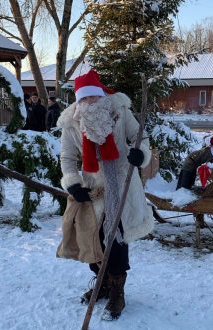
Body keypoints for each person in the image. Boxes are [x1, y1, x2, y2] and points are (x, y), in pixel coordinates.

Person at [57, 69, 154, 320]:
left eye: (93, 97)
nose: (90, 102)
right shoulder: (71, 123)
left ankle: (117, 291)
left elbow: (138, 137)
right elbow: (67, 158)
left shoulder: (120, 111)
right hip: (93, 190)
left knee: (117, 240)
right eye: (84, 99)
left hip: (121, 186)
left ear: (101, 95)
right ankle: (102, 282)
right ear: (78, 101)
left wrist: (139, 153)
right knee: (93, 239)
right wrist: (73, 185)